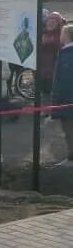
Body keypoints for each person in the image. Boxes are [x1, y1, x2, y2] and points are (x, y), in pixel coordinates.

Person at [51, 24, 73, 165]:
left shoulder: (68, 54)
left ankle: (71, 158)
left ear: (67, 35)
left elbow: (64, 80)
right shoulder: (65, 52)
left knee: (69, 130)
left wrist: (57, 102)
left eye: (62, 33)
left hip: (67, 100)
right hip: (66, 100)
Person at [40, 11, 65, 96]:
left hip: (54, 73)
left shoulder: (62, 35)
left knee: (51, 94)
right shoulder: (42, 33)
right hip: (41, 71)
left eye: (54, 21)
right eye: (49, 20)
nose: (51, 23)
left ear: (58, 24)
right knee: (43, 93)